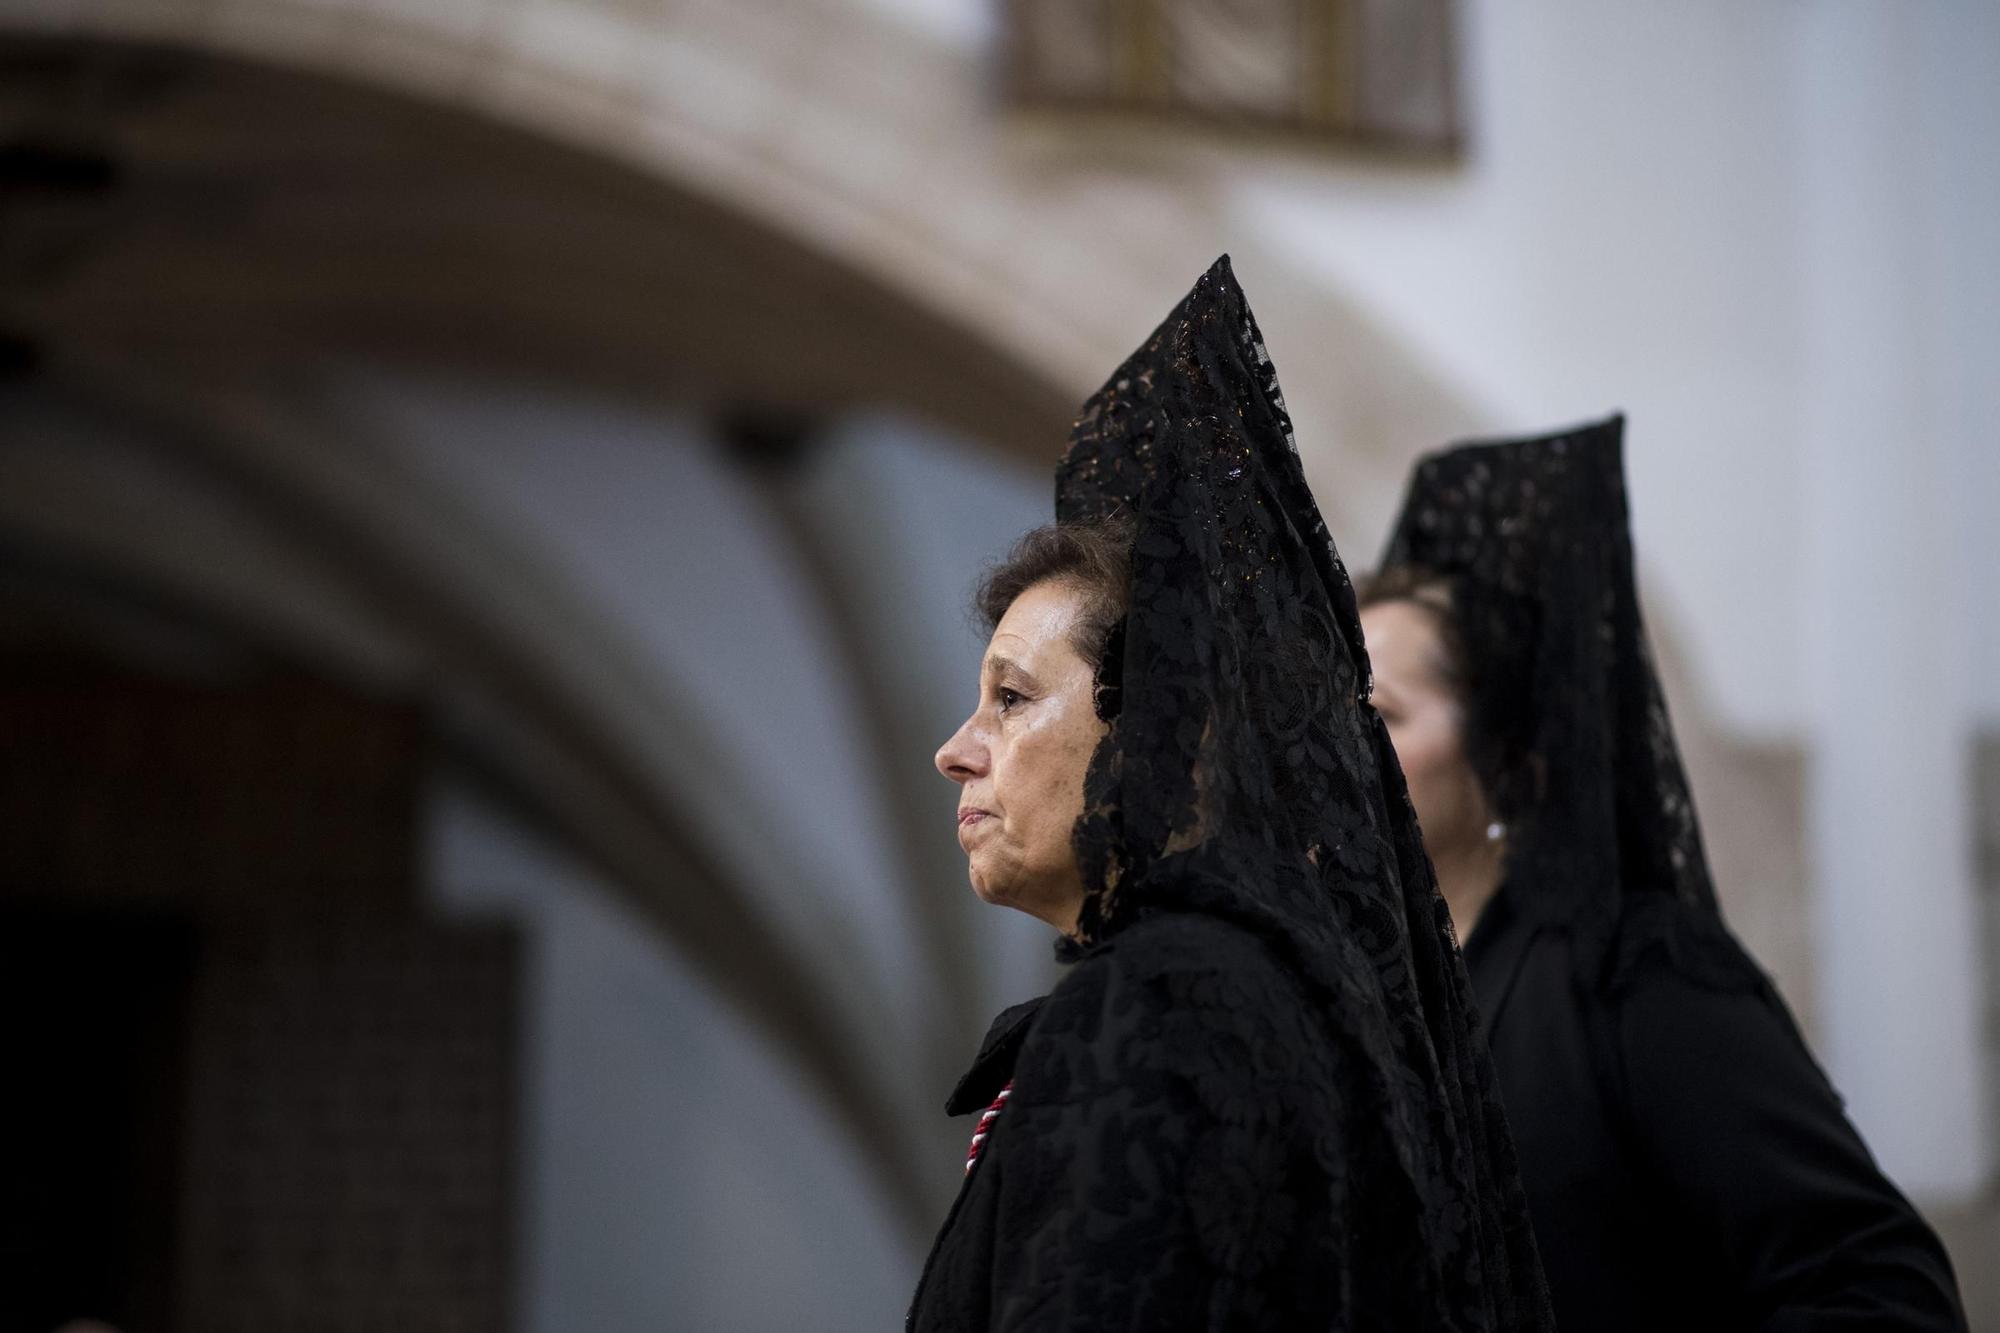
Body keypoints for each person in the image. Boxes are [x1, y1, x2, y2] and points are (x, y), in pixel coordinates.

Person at [906, 257, 1554, 1331]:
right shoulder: (1264, 985)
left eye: (1011, 699)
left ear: (1168, 735)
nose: (955, 750)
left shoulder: (1160, 1000)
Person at [1362, 414, 1967, 1331]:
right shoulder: (1365, 990)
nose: (1329, 747)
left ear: (1510, 755)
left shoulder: (1635, 974)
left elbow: (1877, 1288)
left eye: (1379, 711)